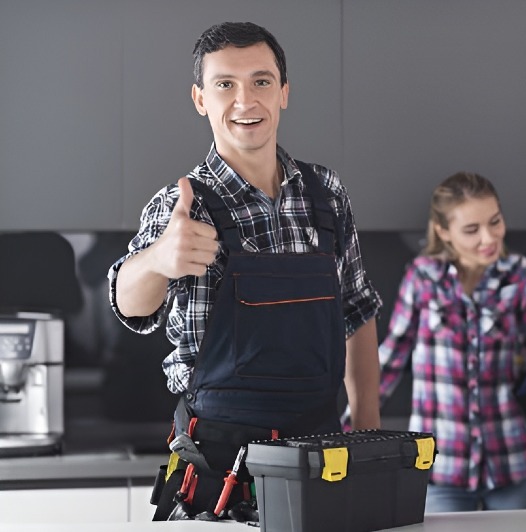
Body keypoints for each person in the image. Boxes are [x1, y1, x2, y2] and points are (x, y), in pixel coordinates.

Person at [107, 22, 382, 519]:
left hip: (324, 456)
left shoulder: (325, 193)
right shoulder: (182, 206)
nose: (244, 100)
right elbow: (130, 303)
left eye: (261, 81)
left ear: (283, 93)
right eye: (224, 84)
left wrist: (366, 431)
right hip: (217, 467)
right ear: (200, 98)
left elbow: (357, 310)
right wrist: (159, 260)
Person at [377, 172, 526, 513]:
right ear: (444, 232)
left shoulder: (517, 273)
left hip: (511, 464)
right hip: (439, 469)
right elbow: (389, 362)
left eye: (495, 222)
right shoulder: (422, 277)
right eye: (471, 230)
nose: (489, 237)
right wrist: (344, 432)